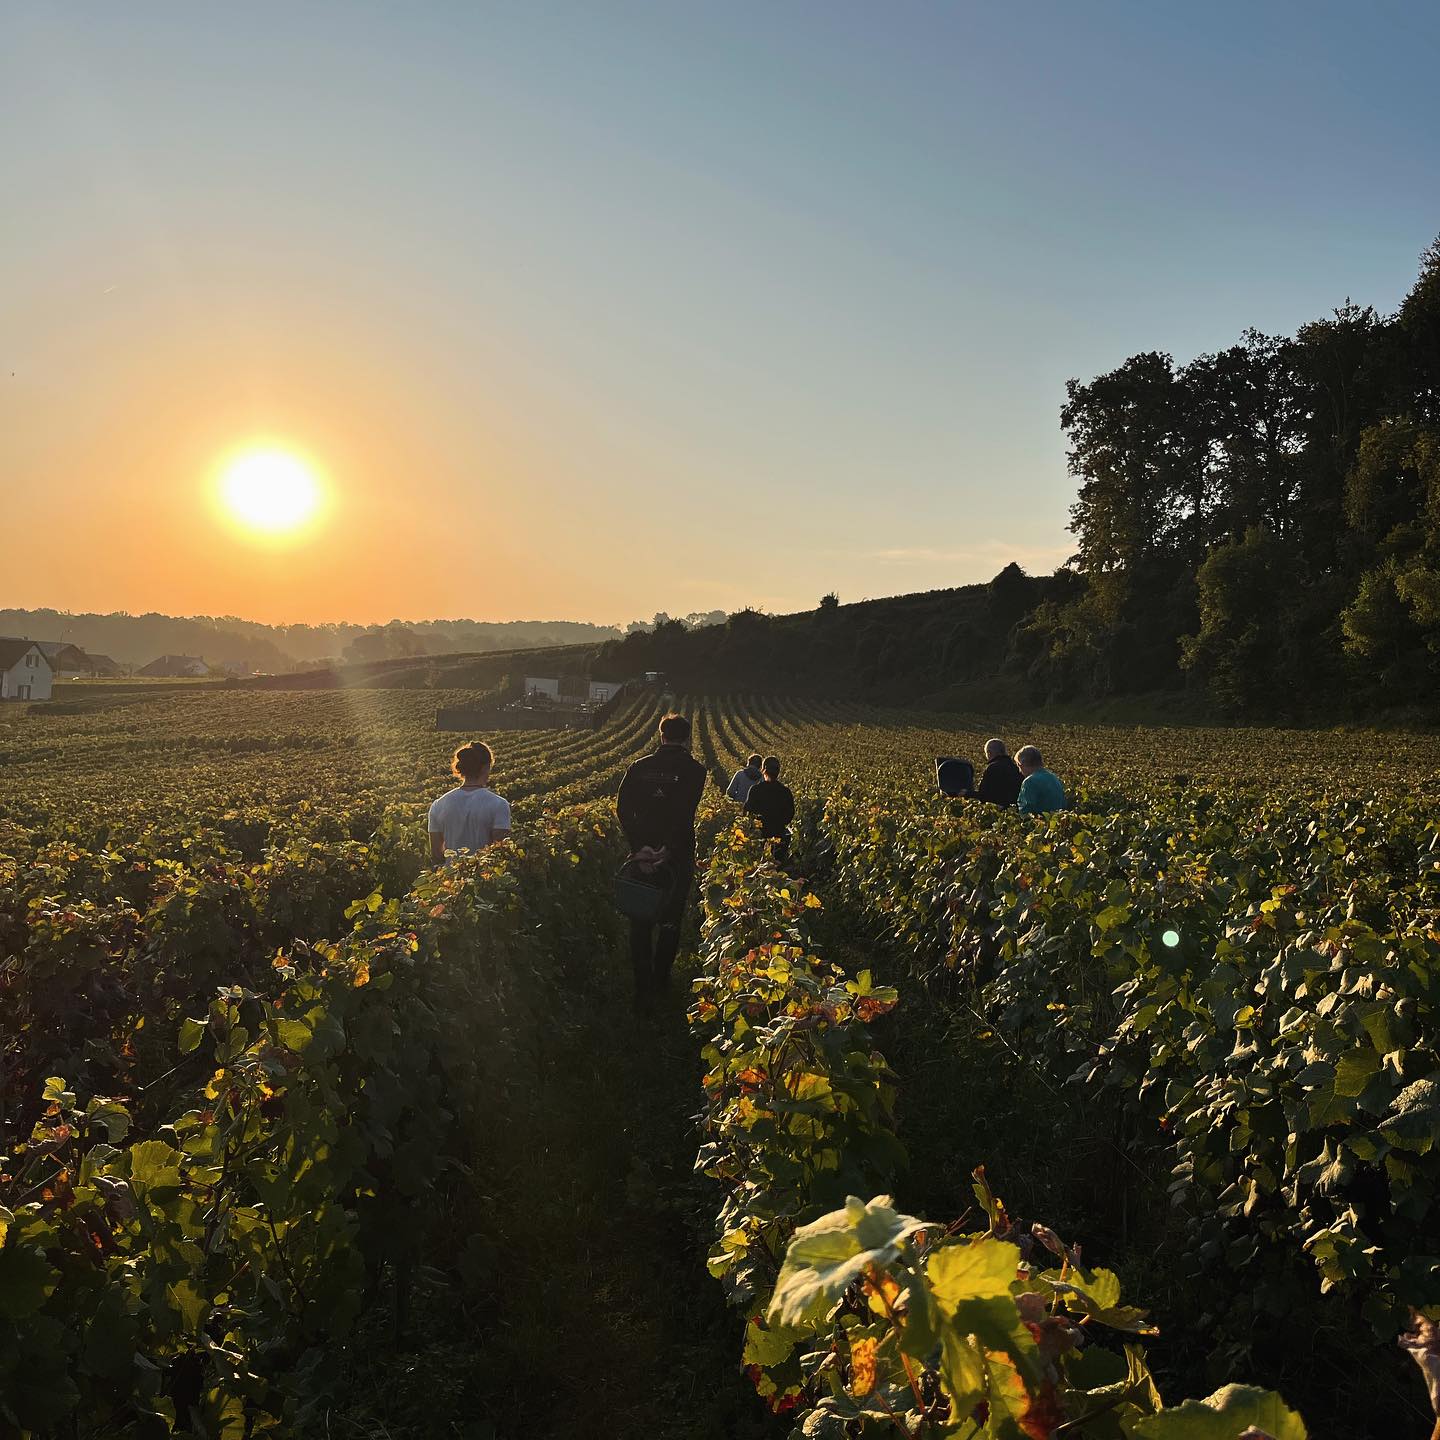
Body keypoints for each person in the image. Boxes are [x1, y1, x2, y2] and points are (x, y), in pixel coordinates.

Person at [616, 712, 708, 1004]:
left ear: (661, 735)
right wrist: (667, 849)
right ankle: (661, 981)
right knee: (671, 919)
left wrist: (640, 847)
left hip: (641, 854)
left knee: (640, 918)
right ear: (686, 738)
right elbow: (683, 812)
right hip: (677, 854)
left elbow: (622, 809)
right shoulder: (695, 770)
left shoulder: (639, 767)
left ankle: (642, 986)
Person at [428, 741, 512, 863]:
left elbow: (436, 854)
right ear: (486, 768)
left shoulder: (438, 805)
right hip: (485, 879)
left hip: (449, 879)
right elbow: (500, 852)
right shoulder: (498, 804)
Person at [744, 756, 796, 864]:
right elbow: (790, 814)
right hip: (778, 834)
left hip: (759, 836)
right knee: (776, 865)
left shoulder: (755, 790)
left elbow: (747, 812)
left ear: (763, 770)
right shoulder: (785, 792)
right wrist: (779, 823)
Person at [1015, 745, 1066, 816]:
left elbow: (1026, 811)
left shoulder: (1030, 781)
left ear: (1023, 763)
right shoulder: (1053, 777)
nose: (1020, 771)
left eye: (1019, 766)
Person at [975, 738, 1023, 807]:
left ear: (989, 753)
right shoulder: (1016, 768)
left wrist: (968, 794)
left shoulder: (992, 768)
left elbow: (983, 795)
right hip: (1014, 809)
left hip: (996, 810)